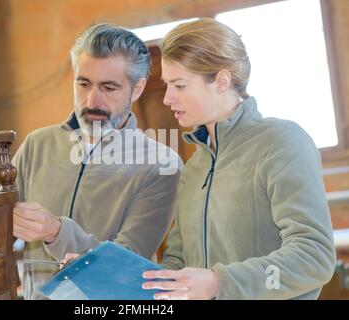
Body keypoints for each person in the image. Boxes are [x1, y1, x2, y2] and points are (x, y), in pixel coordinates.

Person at [0, 23, 182, 300]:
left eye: (109, 87)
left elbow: (126, 264)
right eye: (83, 83)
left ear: (137, 89)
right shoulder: (37, 144)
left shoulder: (161, 164)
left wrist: (57, 232)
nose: (92, 100)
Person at [141, 18, 336, 300]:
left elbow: (313, 257)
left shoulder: (282, 143)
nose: (167, 98)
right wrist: (110, 275)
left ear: (221, 81)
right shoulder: (194, 167)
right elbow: (180, 263)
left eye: (179, 85)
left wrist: (219, 283)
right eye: (167, 85)